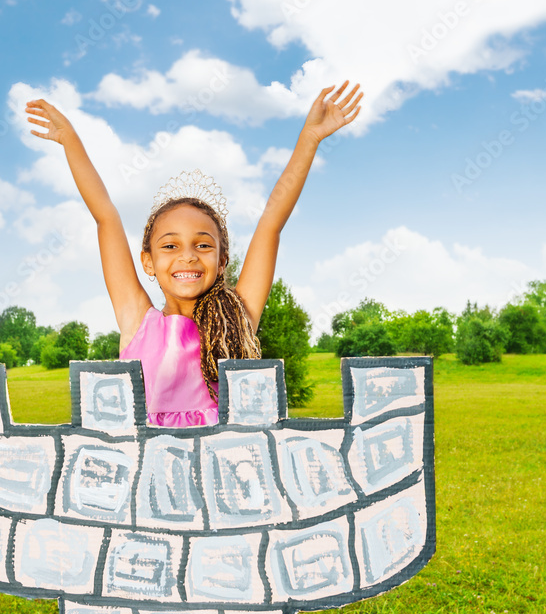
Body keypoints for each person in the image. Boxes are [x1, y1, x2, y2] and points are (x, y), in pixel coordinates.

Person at [25, 82, 362, 427]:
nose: (187, 256)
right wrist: (70, 140)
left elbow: (270, 224)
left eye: (203, 245)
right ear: (148, 262)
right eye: (170, 246)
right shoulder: (137, 321)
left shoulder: (237, 317)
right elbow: (105, 216)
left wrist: (309, 139)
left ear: (222, 261)